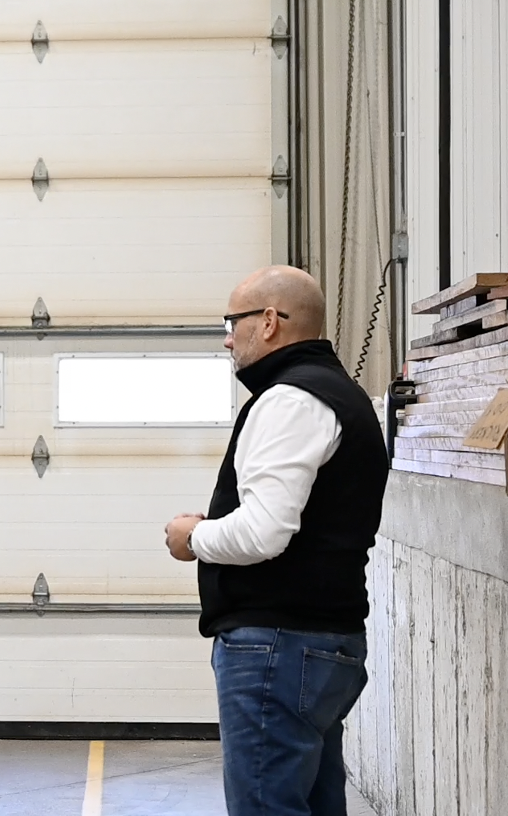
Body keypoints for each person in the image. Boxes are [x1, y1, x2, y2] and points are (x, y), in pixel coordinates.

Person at [163, 265, 388, 816]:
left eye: (231, 321)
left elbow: (265, 532)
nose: (226, 336)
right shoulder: (338, 395)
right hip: (318, 644)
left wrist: (192, 536)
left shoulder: (290, 400)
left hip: (276, 648)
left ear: (268, 322)